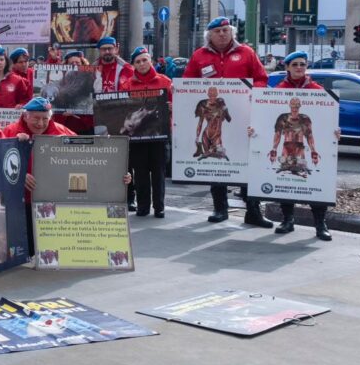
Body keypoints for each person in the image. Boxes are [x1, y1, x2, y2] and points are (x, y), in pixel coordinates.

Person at [6, 97, 131, 254]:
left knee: (51, 248)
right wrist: (19, 175)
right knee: (24, 250)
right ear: (25, 116)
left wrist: (117, 174)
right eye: (36, 118)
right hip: (20, 203)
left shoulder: (62, 132)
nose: (40, 124)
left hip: (54, 202)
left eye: (45, 119)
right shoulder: (9, 132)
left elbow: (92, 160)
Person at [183, 17, 271, 226]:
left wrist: (253, 91)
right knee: (216, 161)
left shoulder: (247, 53)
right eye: (217, 31)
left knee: (249, 163)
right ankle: (220, 208)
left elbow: (261, 77)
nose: (222, 34)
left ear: (231, 32)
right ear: (209, 35)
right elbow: (187, 81)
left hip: (244, 118)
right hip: (214, 121)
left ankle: (253, 211)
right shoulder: (199, 56)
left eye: (225, 30)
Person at [263, 51, 337, 240]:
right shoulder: (279, 90)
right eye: (294, 64)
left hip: (302, 148)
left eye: (302, 64)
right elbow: (273, 128)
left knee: (314, 183)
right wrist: (260, 136)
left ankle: (321, 224)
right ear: (287, 67)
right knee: (285, 182)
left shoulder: (317, 90)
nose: (298, 68)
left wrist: (334, 132)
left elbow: (319, 126)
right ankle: (288, 220)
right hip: (286, 147)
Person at [120, 46, 172, 218]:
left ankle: (159, 207)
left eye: (144, 60)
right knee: (140, 171)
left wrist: (171, 107)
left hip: (159, 135)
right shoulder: (127, 84)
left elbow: (176, 104)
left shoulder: (165, 81)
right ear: (133, 65)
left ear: (151, 61)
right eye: (138, 61)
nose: (142, 64)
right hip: (138, 137)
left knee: (159, 172)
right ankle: (143, 206)